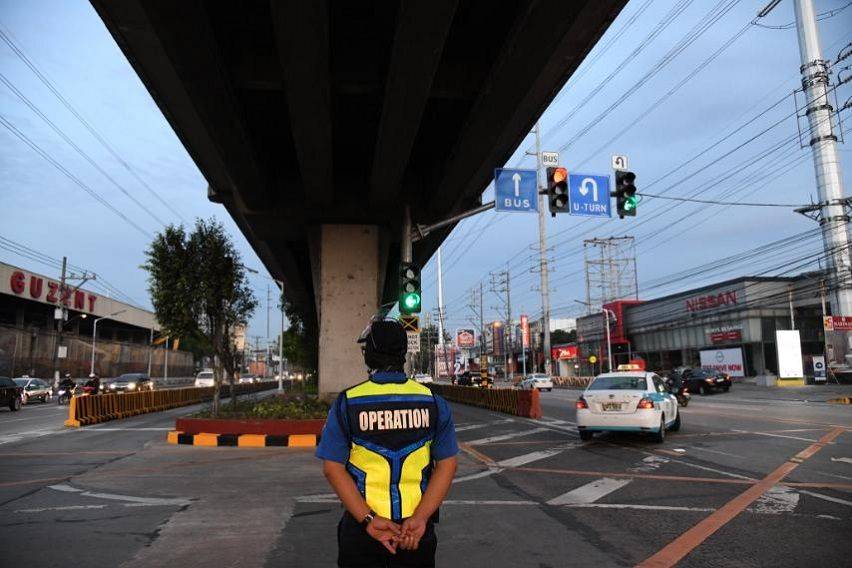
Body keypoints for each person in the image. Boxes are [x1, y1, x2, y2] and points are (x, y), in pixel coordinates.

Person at [316, 319, 459, 568]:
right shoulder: (434, 402)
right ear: (403, 354)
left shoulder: (347, 403)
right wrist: (420, 519)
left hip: (363, 530)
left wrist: (369, 519)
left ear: (369, 354)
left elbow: (332, 468)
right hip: (414, 532)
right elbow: (447, 466)